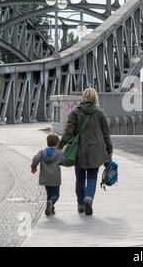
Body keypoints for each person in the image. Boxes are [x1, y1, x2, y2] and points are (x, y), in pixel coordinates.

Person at [59, 87, 113, 215]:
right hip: (96, 150)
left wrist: (60, 145)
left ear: (83, 98)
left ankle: (81, 205)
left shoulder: (75, 113)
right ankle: (89, 198)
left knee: (80, 178)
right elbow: (106, 133)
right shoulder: (100, 113)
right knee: (93, 176)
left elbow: (69, 132)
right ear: (95, 98)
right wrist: (109, 150)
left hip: (80, 150)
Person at [31, 133, 65, 216]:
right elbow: (63, 161)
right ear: (57, 143)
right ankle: (51, 203)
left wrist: (34, 167)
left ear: (47, 143)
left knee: (49, 193)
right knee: (55, 195)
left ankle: (51, 208)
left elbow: (35, 159)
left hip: (45, 177)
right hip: (55, 178)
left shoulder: (42, 152)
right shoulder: (58, 153)